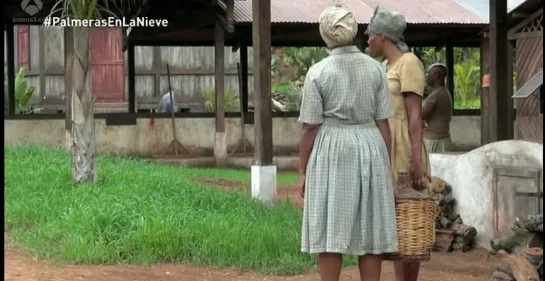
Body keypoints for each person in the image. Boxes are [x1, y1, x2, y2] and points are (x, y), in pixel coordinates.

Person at [297, 6, 398, 281]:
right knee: (370, 230)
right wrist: (384, 164)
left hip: (332, 148)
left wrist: (302, 170)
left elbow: (309, 127)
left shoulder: (318, 72)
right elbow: (383, 122)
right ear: (353, 31)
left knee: (332, 227)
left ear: (325, 34)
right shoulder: (376, 69)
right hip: (370, 144)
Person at [366, 7, 430, 281]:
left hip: (403, 146)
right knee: (394, 221)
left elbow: (415, 116)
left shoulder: (409, 63)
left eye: (370, 35)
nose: (367, 40)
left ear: (383, 36)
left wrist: (416, 160)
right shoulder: (383, 67)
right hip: (384, 146)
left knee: (408, 215)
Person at [422, 63, 453, 153]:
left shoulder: (436, 95)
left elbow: (420, 115)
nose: (426, 77)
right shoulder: (444, 92)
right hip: (442, 138)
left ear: (436, 76)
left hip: (435, 140)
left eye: (428, 73)